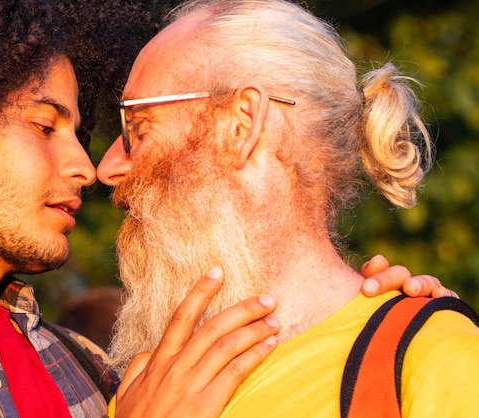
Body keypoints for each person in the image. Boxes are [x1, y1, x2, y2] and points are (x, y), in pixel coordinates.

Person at [0, 0, 455, 417]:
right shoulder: (131, 384)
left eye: (135, 128)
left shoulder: (97, 372)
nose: (95, 169)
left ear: (242, 124)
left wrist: (403, 342)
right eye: (44, 125)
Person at [96, 0, 479, 416]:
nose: (107, 167)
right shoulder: (149, 393)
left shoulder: (433, 359)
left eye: (137, 127)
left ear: (242, 124)